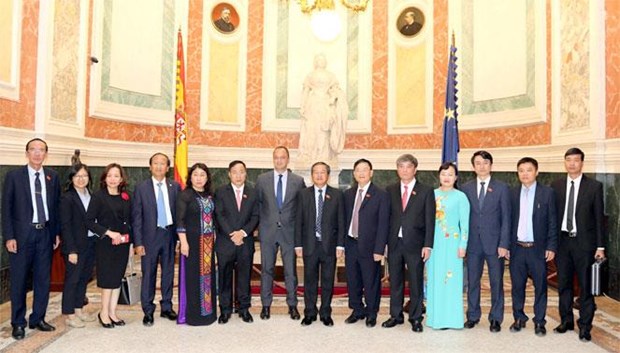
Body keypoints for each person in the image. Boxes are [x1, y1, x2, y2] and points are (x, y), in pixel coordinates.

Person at [2, 138, 61, 340]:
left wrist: (56, 233)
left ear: (46, 153)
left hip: (45, 233)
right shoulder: (14, 176)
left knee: (43, 280)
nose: (37, 153)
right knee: (19, 280)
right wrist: (9, 236)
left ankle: (38, 318)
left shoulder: (52, 177)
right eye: (33, 150)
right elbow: (6, 209)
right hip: (21, 236)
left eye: (41, 150)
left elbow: (56, 208)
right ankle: (18, 323)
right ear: (26, 153)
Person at [551, 148, 605, 342]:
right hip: (563, 242)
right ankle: (566, 321)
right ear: (564, 162)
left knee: (585, 286)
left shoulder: (594, 186)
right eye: (568, 160)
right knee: (563, 284)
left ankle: (585, 326)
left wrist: (600, 246)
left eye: (576, 160)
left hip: (585, 244)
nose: (572, 163)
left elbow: (599, 219)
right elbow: (552, 217)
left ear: (582, 163)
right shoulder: (555, 185)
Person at [383, 154, 435, 332]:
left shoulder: (426, 191)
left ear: (415, 169)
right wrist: (384, 244)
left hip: (416, 244)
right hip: (394, 243)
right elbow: (385, 219)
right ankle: (395, 315)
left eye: (408, 166)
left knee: (415, 281)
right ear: (397, 170)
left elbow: (430, 221)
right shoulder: (389, 190)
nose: (405, 170)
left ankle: (415, 317)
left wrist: (428, 245)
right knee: (395, 281)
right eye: (401, 167)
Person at [461, 150, 511, 332]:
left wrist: (504, 244)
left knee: (496, 282)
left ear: (491, 165)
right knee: (472, 281)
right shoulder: (465, 188)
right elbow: (462, 217)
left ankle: (496, 318)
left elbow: (506, 218)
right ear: (473, 166)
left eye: (485, 163)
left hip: (495, 243)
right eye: (478, 163)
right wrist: (462, 243)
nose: (481, 166)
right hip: (473, 243)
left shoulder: (502, 187)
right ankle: (473, 315)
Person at [509, 157, 558, 336]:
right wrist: (506, 246)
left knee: (540, 286)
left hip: (538, 249)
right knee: (517, 286)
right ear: (517, 173)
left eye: (529, 170)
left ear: (536, 172)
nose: (525, 173)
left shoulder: (548, 193)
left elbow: (553, 221)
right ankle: (519, 317)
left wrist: (551, 246)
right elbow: (508, 222)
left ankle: (539, 321)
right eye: (521, 170)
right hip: (517, 248)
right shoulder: (512, 193)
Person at [255, 146, 306, 320]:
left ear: (287, 159)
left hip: (289, 233)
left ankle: (292, 305)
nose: (279, 160)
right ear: (273, 159)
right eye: (276, 157)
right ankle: (266, 306)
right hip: (268, 232)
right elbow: (258, 206)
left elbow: (301, 209)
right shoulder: (262, 179)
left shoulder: (297, 181)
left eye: (282, 157)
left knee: (290, 271)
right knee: (267, 269)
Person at [132, 153, 181, 326]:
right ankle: (148, 310)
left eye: (163, 164)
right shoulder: (141, 187)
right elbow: (136, 217)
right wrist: (138, 243)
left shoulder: (174, 186)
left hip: (169, 235)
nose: (159, 166)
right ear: (150, 166)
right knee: (149, 274)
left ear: (168, 168)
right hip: (149, 238)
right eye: (156, 163)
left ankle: (166, 307)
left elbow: (179, 214)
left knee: (168, 272)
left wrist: (179, 238)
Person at [294, 162, 345, 327]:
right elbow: (298, 222)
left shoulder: (337, 195)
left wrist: (340, 245)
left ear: (328, 175)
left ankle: (325, 313)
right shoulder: (303, 194)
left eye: (322, 172)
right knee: (309, 280)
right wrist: (298, 245)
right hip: (309, 244)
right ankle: (309, 313)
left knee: (328, 281)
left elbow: (341, 222)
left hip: (329, 246)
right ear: (311, 175)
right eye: (316, 172)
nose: (319, 175)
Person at [343, 158, 390, 328]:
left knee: (371, 281)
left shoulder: (381, 194)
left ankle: (371, 313)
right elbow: (344, 220)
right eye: (358, 170)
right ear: (354, 174)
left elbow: (384, 224)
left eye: (365, 170)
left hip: (371, 247)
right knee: (353, 279)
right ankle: (357, 310)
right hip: (351, 244)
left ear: (371, 172)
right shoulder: (348, 194)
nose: (361, 173)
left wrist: (380, 249)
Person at [85, 163, 132, 329]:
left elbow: (129, 221)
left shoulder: (126, 196)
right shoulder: (98, 196)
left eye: (116, 176)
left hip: (123, 244)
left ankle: (113, 312)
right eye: (110, 175)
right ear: (105, 178)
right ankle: (103, 313)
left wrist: (128, 239)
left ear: (121, 179)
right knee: (107, 279)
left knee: (117, 278)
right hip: (106, 244)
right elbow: (89, 221)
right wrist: (109, 233)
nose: (113, 179)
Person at [214, 160, 259, 324]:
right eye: (235, 172)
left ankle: (244, 309)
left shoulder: (253, 193)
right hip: (226, 242)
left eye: (241, 172)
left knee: (244, 277)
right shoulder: (220, 192)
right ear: (229, 174)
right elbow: (219, 215)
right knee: (224, 277)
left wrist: (243, 233)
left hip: (245, 243)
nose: (238, 175)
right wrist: (233, 234)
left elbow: (256, 216)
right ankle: (225, 310)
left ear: (246, 174)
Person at [426, 162, 470, 329]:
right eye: (444, 174)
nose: (446, 177)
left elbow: (465, 223)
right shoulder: (431, 195)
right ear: (439, 176)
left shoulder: (461, 197)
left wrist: (463, 245)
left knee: (451, 280)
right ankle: (435, 319)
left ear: (456, 177)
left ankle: (451, 319)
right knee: (435, 279)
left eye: (450, 174)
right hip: (434, 244)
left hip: (453, 244)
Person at [176, 163, 217, 326]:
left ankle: (208, 313)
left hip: (208, 244)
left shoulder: (210, 195)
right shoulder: (185, 195)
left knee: (207, 278)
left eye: (202, 175)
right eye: (195, 175)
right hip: (191, 243)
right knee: (193, 279)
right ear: (190, 177)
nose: (199, 178)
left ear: (207, 178)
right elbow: (180, 220)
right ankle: (193, 316)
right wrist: (183, 242)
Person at [60, 162, 97, 328]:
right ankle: (69, 313)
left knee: (83, 278)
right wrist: (71, 250)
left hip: (90, 243)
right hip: (75, 246)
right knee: (72, 280)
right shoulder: (67, 198)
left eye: (84, 176)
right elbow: (65, 226)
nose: (81, 179)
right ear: (72, 178)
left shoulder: (92, 195)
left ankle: (79, 309)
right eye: (77, 176)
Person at [297, 54, 348, 170]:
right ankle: (311, 155)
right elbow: (305, 90)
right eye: (318, 59)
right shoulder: (310, 75)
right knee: (312, 129)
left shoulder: (331, 76)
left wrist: (333, 99)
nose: (320, 61)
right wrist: (303, 106)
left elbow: (335, 90)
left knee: (324, 130)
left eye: (322, 59)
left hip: (326, 104)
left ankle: (324, 156)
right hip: (313, 104)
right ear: (315, 62)